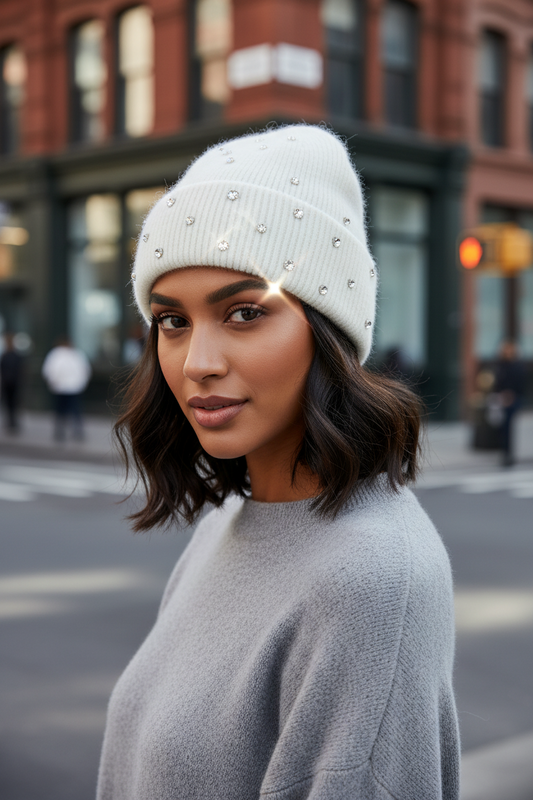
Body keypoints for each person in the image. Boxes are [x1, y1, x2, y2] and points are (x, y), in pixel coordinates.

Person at [97, 126, 459, 800]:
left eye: (243, 313)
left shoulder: (372, 580)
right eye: (172, 321)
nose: (197, 363)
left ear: (328, 332)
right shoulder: (229, 522)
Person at [41, 337, 92, 441]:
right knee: (74, 410)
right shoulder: (76, 354)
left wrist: (53, 382)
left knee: (63, 411)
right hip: (72, 388)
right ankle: (73, 432)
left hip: (64, 388)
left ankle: (62, 432)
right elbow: (85, 370)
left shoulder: (57, 354)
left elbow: (49, 370)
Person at [494, 340, 526, 466]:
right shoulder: (500, 365)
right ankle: (503, 451)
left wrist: (511, 394)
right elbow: (497, 383)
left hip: (514, 399)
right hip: (501, 399)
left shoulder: (518, 366)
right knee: (501, 427)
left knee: (509, 427)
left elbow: (521, 384)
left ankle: (509, 454)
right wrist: (501, 394)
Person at [0, 332, 23, 433]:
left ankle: (12, 422)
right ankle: (12, 422)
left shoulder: (9, 355)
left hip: (10, 383)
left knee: (11, 403)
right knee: (11, 404)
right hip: (11, 383)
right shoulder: (12, 355)